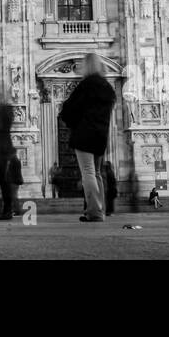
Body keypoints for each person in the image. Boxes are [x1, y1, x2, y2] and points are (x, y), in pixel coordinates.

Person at [60, 53, 116, 223]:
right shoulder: (108, 87)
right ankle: (101, 210)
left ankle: (94, 212)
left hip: (85, 134)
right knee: (97, 173)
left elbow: (69, 108)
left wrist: (72, 122)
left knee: (88, 173)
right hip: (101, 135)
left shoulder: (86, 85)